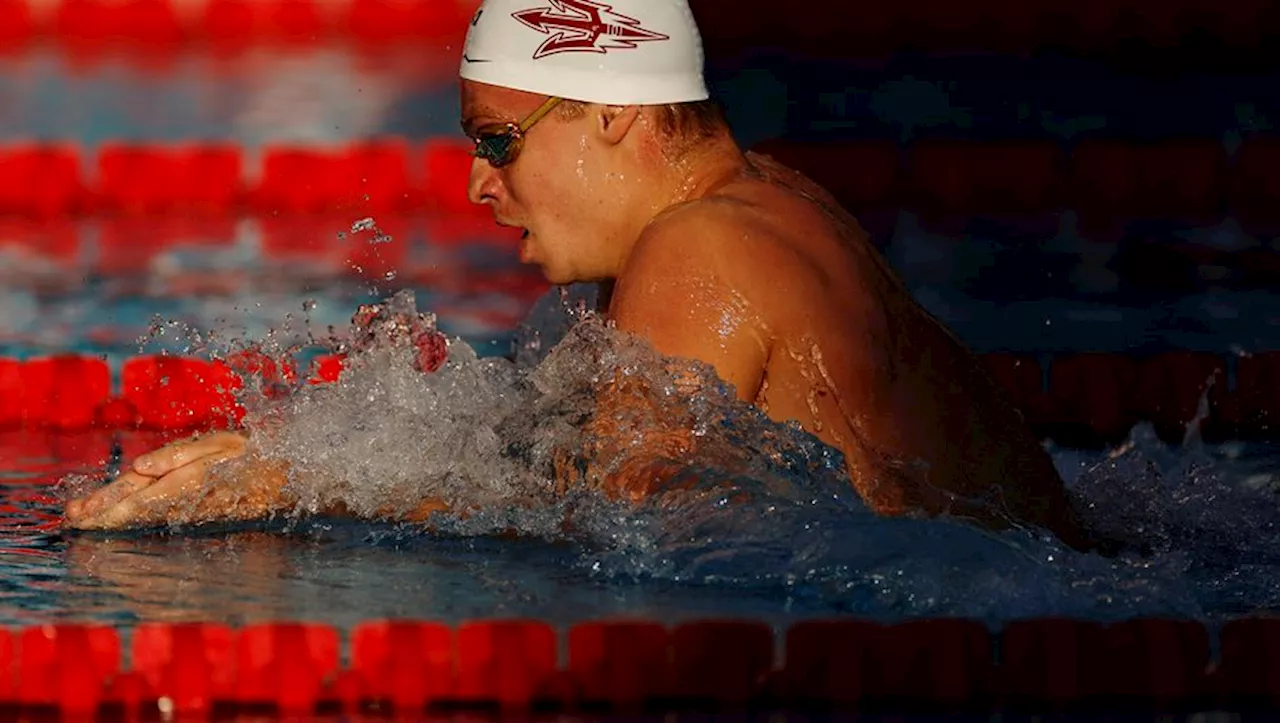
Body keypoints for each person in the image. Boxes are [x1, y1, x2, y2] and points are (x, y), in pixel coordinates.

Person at [64, 0, 1097, 551]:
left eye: (499, 143)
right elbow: (593, 460)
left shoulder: (699, 249)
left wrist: (303, 490)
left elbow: (627, 530)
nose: (475, 184)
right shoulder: (769, 202)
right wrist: (304, 448)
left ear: (611, 113)